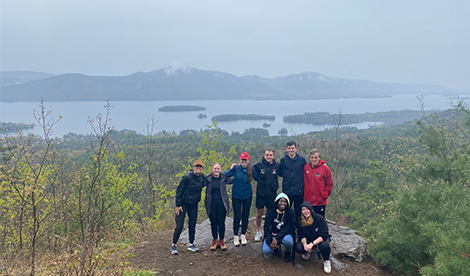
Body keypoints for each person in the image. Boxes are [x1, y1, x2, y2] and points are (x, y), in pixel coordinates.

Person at [171, 160, 206, 255]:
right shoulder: (187, 177)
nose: (198, 168)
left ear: (202, 168)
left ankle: (191, 244)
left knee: (192, 224)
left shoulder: (202, 178)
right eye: (196, 166)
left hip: (194, 204)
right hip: (183, 204)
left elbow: (212, 180)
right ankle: (174, 245)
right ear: (193, 167)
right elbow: (179, 190)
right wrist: (178, 205)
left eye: (200, 167)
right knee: (179, 226)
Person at [225, 152, 257, 246]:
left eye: (245, 160)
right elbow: (227, 174)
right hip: (236, 195)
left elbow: (257, 178)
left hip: (247, 195)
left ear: (248, 160)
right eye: (242, 159)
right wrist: (217, 173)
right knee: (237, 215)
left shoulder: (251, 168)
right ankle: (235, 235)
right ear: (240, 160)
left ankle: (243, 234)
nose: (244, 161)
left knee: (245, 216)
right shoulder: (235, 168)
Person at [295, 201, 332, 274]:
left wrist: (312, 244)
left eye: (307, 209)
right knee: (298, 247)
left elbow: (324, 235)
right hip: (308, 239)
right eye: (303, 209)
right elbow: (301, 235)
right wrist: (305, 245)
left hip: (320, 239)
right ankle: (307, 251)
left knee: (324, 246)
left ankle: (326, 260)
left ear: (311, 209)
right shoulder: (300, 220)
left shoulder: (319, 218)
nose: (305, 211)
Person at [253, 149, 281, 242]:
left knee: (270, 214)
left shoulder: (277, 166)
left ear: (273, 156)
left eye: (270, 155)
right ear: (264, 156)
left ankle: (268, 231)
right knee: (259, 214)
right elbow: (248, 168)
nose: (269, 157)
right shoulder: (258, 165)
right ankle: (258, 231)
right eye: (267, 155)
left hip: (272, 195)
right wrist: (235, 167)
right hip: (261, 194)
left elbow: (287, 171)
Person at [205, 163, 232, 251]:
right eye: (215, 169)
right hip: (211, 203)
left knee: (221, 222)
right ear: (212, 169)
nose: (216, 170)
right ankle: (214, 240)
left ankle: (221, 240)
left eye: (218, 169)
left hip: (222, 203)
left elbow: (233, 180)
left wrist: (234, 169)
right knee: (213, 222)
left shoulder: (223, 177)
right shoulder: (208, 179)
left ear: (220, 170)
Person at [262, 193, 296, 262]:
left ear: (287, 203)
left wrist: (277, 237)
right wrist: (269, 242)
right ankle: (275, 249)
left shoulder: (290, 213)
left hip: (284, 235)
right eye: (281, 201)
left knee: (289, 242)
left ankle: (287, 252)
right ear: (277, 202)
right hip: (272, 234)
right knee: (266, 250)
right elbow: (267, 228)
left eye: (285, 201)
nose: (282, 203)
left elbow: (289, 228)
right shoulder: (271, 212)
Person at [303, 149, 333, 217]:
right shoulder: (306, 167)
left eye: (316, 157)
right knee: (309, 222)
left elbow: (329, 183)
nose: (314, 159)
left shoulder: (325, 168)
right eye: (312, 157)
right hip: (308, 201)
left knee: (320, 221)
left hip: (321, 201)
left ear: (319, 157)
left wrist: (325, 195)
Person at [280, 141, 307, 218]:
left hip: (299, 190)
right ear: (286, 149)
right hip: (287, 190)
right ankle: (287, 228)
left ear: (296, 148)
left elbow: (307, 169)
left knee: (298, 210)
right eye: (289, 148)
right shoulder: (283, 160)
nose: (291, 150)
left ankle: (299, 228)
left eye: (292, 148)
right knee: (286, 210)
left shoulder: (302, 159)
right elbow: (280, 171)